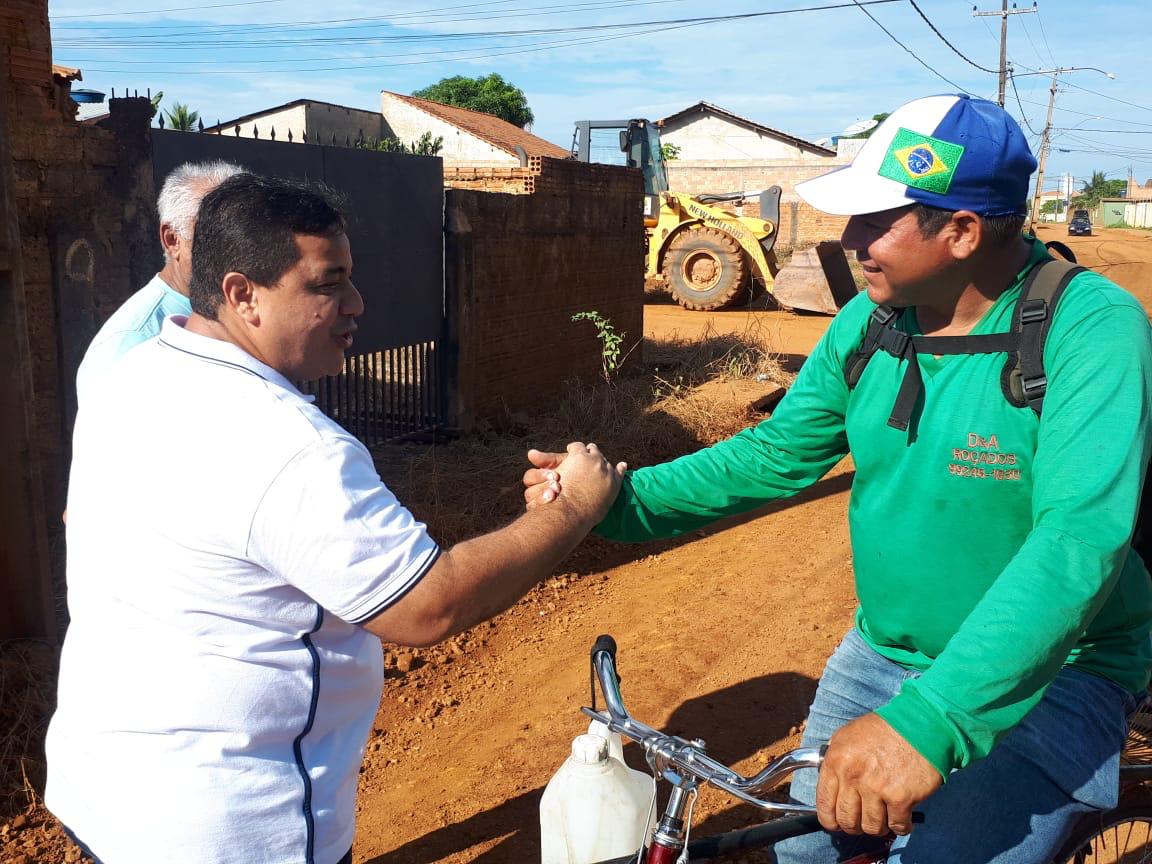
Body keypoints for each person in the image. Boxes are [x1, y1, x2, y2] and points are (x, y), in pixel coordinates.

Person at [525, 94, 1152, 863]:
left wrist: (928, 723)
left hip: (1057, 671)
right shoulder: (873, 321)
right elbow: (778, 452)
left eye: (874, 220)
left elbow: (1077, 539)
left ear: (960, 231)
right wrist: (616, 503)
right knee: (808, 854)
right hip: (883, 652)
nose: (850, 239)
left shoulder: (1089, 328)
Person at [47, 174, 624, 864]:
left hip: (106, 792)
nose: (356, 304)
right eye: (326, 284)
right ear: (241, 295)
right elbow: (428, 607)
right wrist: (577, 509)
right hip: (233, 829)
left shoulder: (132, 375)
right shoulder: (286, 443)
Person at [74, 159, 244, 405]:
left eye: (243, 234)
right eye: (214, 234)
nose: (236, 248)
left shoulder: (242, 310)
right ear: (172, 239)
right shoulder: (130, 343)